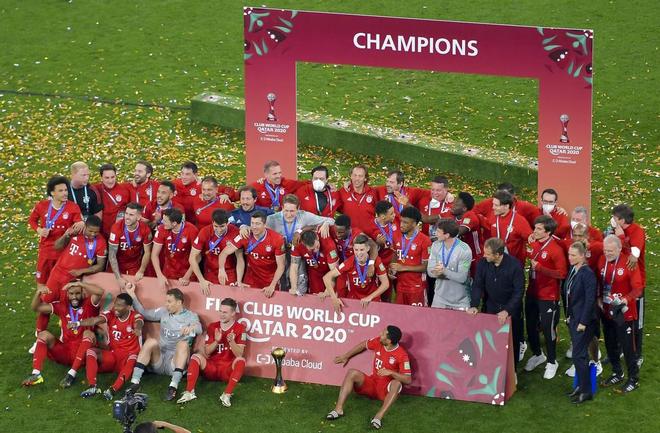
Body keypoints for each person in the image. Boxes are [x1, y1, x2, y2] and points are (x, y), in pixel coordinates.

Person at [28, 176, 84, 339]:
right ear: (52, 193)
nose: (65, 193)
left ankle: (64, 326)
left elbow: (79, 222)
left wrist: (81, 223)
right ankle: (40, 330)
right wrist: (39, 230)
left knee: (64, 294)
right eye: (61, 190)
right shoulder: (42, 206)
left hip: (63, 258)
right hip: (45, 255)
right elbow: (32, 220)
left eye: (66, 190)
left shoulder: (72, 207)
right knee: (44, 292)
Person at [325, 326, 411, 430]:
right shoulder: (379, 341)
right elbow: (364, 344)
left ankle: (378, 417)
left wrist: (391, 373)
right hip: (372, 384)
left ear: (389, 341)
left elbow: (408, 379)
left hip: (385, 390)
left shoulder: (402, 355)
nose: (380, 334)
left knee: (397, 384)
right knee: (352, 372)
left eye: (383, 334)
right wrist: (346, 356)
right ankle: (338, 409)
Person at [126, 286, 202, 401]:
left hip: (175, 364)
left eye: (169, 302)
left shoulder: (191, 316)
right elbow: (143, 313)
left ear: (179, 302)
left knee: (183, 344)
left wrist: (191, 328)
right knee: (151, 341)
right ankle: (134, 383)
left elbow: (199, 329)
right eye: (166, 301)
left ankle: (173, 386)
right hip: (159, 360)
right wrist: (132, 294)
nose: (166, 304)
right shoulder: (163, 312)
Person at [35, 216, 107, 338]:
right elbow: (57, 246)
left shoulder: (101, 242)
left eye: (96, 232)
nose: (93, 234)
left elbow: (100, 266)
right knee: (46, 301)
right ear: (85, 226)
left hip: (73, 280)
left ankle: (65, 335)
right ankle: (39, 333)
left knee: (67, 307)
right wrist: (66, 235)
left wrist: (82, 271)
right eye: (90, 231)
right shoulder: (75, 231)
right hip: (57, 274)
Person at [22, 281, 103, 387]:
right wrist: (38, 293)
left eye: (77, 293)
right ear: (67, 294)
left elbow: (100, 292)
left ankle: (71, 374)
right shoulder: (62, 306)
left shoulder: (89, 304)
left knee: (88, 333)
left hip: (83, 353)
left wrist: (81, 284)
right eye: (71, 293)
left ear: (83, 293)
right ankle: (36, 374)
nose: (74, 297)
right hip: (66, 352)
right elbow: (36, 308)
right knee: (43, 334)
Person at [177, 298, 247, 407]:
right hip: (212, 368)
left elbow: (239, 354)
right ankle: (189, 392)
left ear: (233, 313)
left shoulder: (241, 328)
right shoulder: (213, 326)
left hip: (227, 371)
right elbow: (207, 352)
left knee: (241, 360)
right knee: (195, 357)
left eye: (225, 312)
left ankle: (226, 394)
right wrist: (217, 341)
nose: (221, 315)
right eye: (220, 311)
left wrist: (231, 342)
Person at [468, 238, 525, 368]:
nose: (484, 256)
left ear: (498, 254)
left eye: (488, 254)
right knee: (490, 338)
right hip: (491, 306)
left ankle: (512, 371)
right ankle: (491, 368)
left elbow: (519, 291)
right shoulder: (483, 263)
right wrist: (474, 305)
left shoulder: (515, 266)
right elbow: (477, 285)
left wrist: (507, 310)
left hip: (510, 309)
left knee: (512, 341)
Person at [524, 215, 568, 379]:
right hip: (532, 292)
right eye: (535, 227)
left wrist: (541, 269)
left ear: (548, 232)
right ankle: (538, 354)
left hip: (548, 296)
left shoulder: (555, 250)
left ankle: (551, 361)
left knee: (548, 329)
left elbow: (562, 274)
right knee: (530, 325)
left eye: (539, 229)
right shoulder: (533, 244)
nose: (534, 231)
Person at [598, 235, 643, 393]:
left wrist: (626, 299)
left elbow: (638, 288)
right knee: (610, 344)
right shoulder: (602, 260)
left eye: (610, 250)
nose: (607, 253)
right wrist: (599, 297)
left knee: (627, 347)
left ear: (619, 249)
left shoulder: (629, 263)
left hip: (624, 313)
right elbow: (600, 281)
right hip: (607, 310)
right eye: (605, 250)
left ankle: (633, 379)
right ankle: (617, 372)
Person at [79, 293, 144, 399]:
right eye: (115, 304)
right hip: (113, 355)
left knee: (133, 358)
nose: (115, 307)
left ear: (128, 307)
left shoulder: (135, 316)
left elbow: (139, 322)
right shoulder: (111, 314)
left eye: (119, 305)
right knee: (91, 351)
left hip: (128, 358)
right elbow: (95, 320)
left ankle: (113, 390)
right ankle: (92, 386)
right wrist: (78, 323)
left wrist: (137, 328)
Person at [265, 194, 335, 290]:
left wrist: (326, 224)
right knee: (281, 282)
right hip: (279, 253)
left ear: (298, 209)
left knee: (300, 282)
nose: (289, 214)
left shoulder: (304, 216)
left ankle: (298, 296)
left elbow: (331, 220)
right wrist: (245, 227)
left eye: (292, 211)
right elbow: (256, 228)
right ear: (282, 208)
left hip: (298, 251)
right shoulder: (271, 219)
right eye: (286, 211)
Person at [610, 204, 646, 367]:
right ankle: (620, 350)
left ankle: (637, 355)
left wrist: (621, 237)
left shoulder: (636, 231)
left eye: (614, 217)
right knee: (618, 319)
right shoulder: (615, 231)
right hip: (619, 282)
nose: (612, 220)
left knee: (636, 322)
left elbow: (633, 255)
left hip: (635, 284)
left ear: (622, 220)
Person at [219, 211, 285, 297]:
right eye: (252, 223)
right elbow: (224, 253)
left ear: (265, 225)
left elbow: (281, 266)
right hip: (250, 279)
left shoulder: (277, 239)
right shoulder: (245, 235)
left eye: (257, 224)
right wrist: (221, 269)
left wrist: (272, 285)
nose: (254, 227)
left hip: (270, 280)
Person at [565, 241, 598, 404]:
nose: (570, 258)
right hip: (574, 318)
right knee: (578, 355)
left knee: (579, 355)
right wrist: (569, 315)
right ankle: (581, 387)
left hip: (584, 322)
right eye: (569, 254)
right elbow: (570, 294)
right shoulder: (574, 270)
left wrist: (583, 322)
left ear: (582, 256)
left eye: (573, 255)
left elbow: (590, 300)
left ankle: (586, 391)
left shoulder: (587, 274)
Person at [323, 234, 389, 312]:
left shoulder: (376, 261)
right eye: (356, 250)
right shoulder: (350, 262)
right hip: (354, 300)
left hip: (372, 300)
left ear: (368, 248)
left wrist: (370, 297)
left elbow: (386, 284)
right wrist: (334, 298)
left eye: (362, 250)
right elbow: (326, 277)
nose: (358, 253)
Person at [190, 209, 243, 295]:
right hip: (210, 272)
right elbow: (192, 257)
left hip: (229, 272)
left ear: (227, 223)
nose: (219, 229)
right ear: (212, 222)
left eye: (222, 226)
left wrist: (239, 280)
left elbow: (240, 258)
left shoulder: (235, 232)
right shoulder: (205, 232)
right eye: (216, 226)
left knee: (228, 299)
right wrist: (201, 280)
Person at [389, 206, 431, 306]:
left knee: (418, 315)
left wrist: (403, 268)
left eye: (405, 222)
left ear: (415, 224)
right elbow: (395, 254)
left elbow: (426, 267)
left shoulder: (425, 240)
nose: (401, 225)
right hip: (400, 286)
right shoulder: (397, 236)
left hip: (417, 288)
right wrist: (391, 269)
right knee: (400, 314)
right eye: (401, 221)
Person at [427, 219, 473, 310]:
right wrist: (441, 273)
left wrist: (444, 271)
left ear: (447, 235)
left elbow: (462, 278)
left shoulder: (465, 250)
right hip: (439, 298)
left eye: (438, 231)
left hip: (460, 301)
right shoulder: (435, 245)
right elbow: (430, 271)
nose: (435, 233)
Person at [108, 202, 153, 290]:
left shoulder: (145, 230)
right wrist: (118, 278)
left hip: (134, 264)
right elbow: (112, 255)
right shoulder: (116, 228)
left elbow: (147, 252)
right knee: (112, 290)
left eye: (131, 215)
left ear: (138, 217)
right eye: (126, 213)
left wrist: (141, 271)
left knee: (133, 289)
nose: (127, 217)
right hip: (117, 264)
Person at [151, 208, 199, 290]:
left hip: (187, 271)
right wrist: (159, 275)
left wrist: (187, 276)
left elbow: (198, 257)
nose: (162, 222)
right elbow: (154, 255)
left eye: (165, 221)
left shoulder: (192, 230)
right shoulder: (161, 229)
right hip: (168, 270)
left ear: (174, 223)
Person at [488, 190, 532, 267]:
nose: (493, 207)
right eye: (493, 204)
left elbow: (532, 240)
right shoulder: (492, 215)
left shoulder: (520, 221)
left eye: (496, 205)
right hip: (495, 261)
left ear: (506, 206)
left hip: (513, 265)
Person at [290, 229, 339, 295]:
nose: (316, 250)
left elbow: (334, 273)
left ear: (317, 237)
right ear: (304, 245)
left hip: (329, 272)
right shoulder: (298, 244)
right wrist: (294, 287)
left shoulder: (329, 245)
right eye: (312, 249)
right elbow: (294, 268)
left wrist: (327, 292)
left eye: (317, 246)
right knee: (315, 297)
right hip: (314, 273)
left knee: (330, 296)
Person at [366, 200, 398, 301]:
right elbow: (369, 249)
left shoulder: (396, 221)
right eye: (391, 213)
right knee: (382, 293)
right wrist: (378, 244)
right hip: (379, 264)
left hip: (395, 261)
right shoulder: (370, 227)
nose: (394, 215)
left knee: (395, 292)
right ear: (383, 216)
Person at [450, 192, 485, 277]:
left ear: (464, 208)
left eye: (456, 204)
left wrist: (440, 236)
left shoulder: (470, 216)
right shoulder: (454, 216)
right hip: (462, 256)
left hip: (475, 258)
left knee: (475, 281)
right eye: (453, 202)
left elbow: (459, 231)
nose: (452, 206)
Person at [337, 164, 378, 234]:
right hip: (351, 235)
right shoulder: (343, 192)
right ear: (351, 176)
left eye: (360, 176)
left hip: (370, 234)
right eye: (354, 175)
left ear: (365, 178)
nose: (357, 178)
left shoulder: (373, 192)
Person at [95, 163, 131, 237]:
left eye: (112, 177)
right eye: (107, 178)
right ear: (101, 177)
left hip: (120, 231)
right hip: (101, 232)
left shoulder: (124, 190)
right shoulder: (95, 190)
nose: (110, 181)